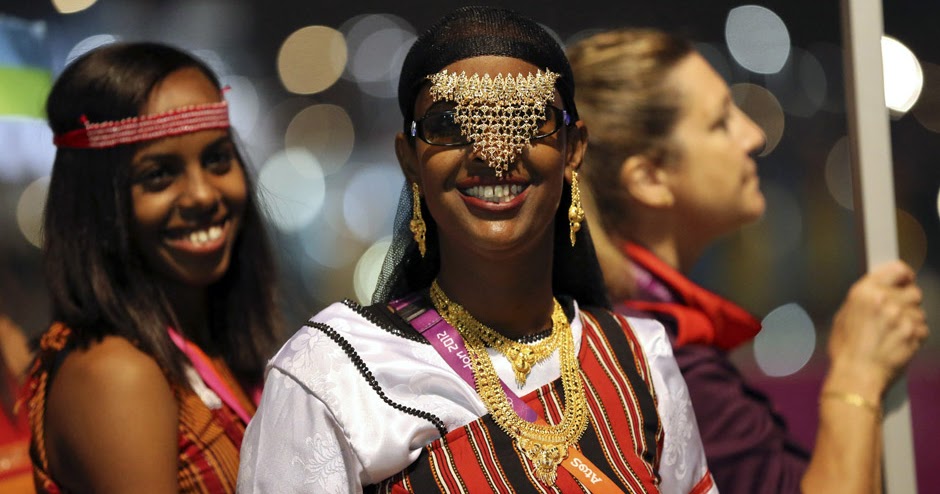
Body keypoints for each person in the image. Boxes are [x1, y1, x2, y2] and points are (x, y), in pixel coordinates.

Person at [239, 7, 717, 493]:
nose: (493, 151)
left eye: (526, 117)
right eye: (450, 124)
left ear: (574, 150)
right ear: (410, 160)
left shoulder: (641, 359)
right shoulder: (334, 374)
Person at [567, 28, 929, 494]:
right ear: (650, 178)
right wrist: (859, 370)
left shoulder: (615, 330)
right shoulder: (664, 364)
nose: (754, 135)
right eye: (720, 123)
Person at [20, 41, 281, 493]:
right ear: (97, 202)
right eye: (159, 174)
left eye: (217, 159)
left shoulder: (216, 344)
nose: (202, 195)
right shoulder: (115, 373)